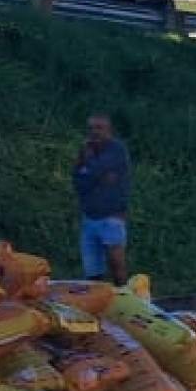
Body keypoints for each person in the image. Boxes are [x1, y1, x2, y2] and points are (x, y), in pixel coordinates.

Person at [72, 113, 133, 286]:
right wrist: (94, 174)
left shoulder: (117, 149)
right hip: (89, 218)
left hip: (111, 217)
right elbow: (78, 180)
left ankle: (126, 301)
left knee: (116, 264)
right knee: (92, 271)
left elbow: (98, 169)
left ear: (109, 130)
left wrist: (90, 165)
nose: (94, 132)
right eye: (91, 128)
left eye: (99, 128)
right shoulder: (84, 151)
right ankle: (98, 306)